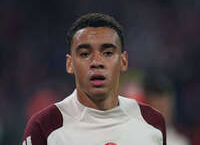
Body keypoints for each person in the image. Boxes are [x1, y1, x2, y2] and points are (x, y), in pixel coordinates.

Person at [22, 13, 166, 145]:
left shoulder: (152, 122)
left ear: (123, 61)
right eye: (85, 54)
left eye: (108, 53)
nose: (97, 62)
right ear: (69, 64)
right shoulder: (45, 126)